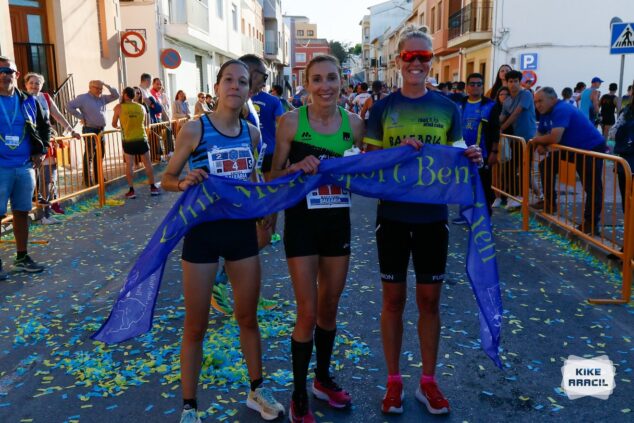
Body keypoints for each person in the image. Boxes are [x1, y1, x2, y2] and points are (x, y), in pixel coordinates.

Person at [363, 27, 482, 417]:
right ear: (398, 60)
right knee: (393, 300)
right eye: (409, 56)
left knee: (430, 301)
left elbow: (457, 154)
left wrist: (472, 159)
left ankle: (428, 381)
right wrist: (393, 154)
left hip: (433, 217)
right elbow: (370, 165)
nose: (416, 63)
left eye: (424, 57)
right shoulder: (382, 109)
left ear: (431, 61)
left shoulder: (449, 108)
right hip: (393, 217)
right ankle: (394, 381)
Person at [161, 60, 284, 423]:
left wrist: (265, 210)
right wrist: (183, 182)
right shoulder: (194, 129)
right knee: (195, 325)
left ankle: (257, 391)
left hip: (241, 232)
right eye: (228, 79)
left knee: (247, 317)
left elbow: (254, 178)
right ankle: (189, 408)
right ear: (216, 87)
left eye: (242, 81)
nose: (235, 86)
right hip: (202, 233)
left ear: (250, 90)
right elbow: (167, 177)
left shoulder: (252, 133)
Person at [270, 54, 364, 422]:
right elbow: (274, 175)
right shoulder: (291, 122)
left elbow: (369, 169)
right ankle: (298, 394)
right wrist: (295, 166)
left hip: (337, 225)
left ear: (342, 81)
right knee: (307, 312)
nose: (326, 86)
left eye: (332, 78)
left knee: (329, 308)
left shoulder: (354, 124)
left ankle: (322, 379)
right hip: (302, 226)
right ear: (306, 84)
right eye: (317, 79)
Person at [0, 56, 50, 278]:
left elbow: (44, 126)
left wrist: (42, 149)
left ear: (17, 75)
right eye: (0, 70)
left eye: (8, 70)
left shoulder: (28, 101)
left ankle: (22, 257)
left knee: (22, 212)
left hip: (24, 166)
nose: (4, 74)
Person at [531, 87, 605, 234]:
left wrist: (536, 141)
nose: (537, 105)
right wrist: (539, 142)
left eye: (540, 101)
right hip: (571, 148)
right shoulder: (546, 111)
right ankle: (549, 203)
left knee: (592, 186)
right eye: (535, 101)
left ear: (553, 99)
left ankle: (591, 223)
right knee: (546, 165)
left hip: (591, 148)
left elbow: (554, 137)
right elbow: (541, 131)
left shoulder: (562, 109)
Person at [24, 72, 80, 221]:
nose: (34, 85)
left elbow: (58, 115)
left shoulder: (46, 98)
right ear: (26, 84)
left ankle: (45, 215)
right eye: (32, 82)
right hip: (27, 146)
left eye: (38, 83)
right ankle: (34, 215)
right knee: (31, 182)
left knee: (49, 179)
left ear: (41, 86)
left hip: (45, 143)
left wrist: (71, 130)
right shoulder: (21, 98)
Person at [453, 72, 500, 222]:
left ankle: (484, 216)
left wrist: (494, 151)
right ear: (467, 87)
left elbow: (495, 129)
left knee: (483, 186)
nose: (475, 87)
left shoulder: (490, 105)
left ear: (482, 86)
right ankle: (465, 215)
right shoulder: (459, 104)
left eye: (479, 84)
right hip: (461, 153)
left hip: (483, 154)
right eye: (472, 84)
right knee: (464, 185)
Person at [66, 79, 119, 187]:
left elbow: (116, 95)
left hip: (101, 130)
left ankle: (98, 177)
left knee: (100, 154)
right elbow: (69, 106)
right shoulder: (83, 98)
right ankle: (87, 179)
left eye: (101, 88)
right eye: (97, 88)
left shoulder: (103, 98)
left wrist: (106, 84)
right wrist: (81, 117)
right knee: (89, 154)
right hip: (90, 129)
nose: (100, 90)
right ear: (90, 87)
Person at [111, 87, 160, 199]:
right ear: (134, 96)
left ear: (124, 95)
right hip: (141, 138)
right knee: (147, 164)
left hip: (128, 140)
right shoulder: (141, 107)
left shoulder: (118, 107)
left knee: (130, 165)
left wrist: (120, 126)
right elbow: (146, 123)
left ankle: (131, 190)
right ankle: (153, 187)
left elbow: (113, 123)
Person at [499, 69, 536, 209]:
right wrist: (493, 126)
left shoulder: (526, 94)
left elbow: (515, 114)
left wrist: (501, 128)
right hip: (515, 138)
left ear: (519, 82)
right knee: (512, 167)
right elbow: (502, 116)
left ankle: (522, 197)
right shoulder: (507, 100)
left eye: (515, 81)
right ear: (506, 83)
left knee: (524, 167)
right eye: (510, 81)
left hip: (527, 138)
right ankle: (514, 196)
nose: (513, 84)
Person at [491, 87, 510, 208]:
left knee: (507, 171)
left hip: (509, 141)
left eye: (506, 94)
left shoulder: (510, 108)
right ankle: (497, 196)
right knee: (496, 171)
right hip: (496, 142)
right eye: (501, 94)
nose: (503, 96)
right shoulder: (495, 108)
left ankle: (506, 196)